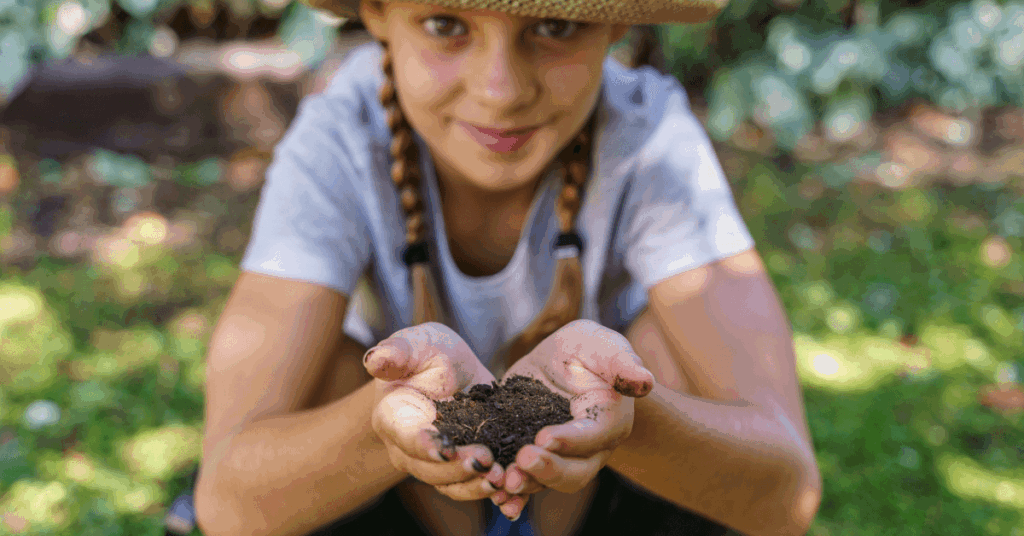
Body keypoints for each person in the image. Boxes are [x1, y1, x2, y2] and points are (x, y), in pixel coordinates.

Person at [193, 1, 824, 535]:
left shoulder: (648, 133)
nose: (501, 91)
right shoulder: (343, 134)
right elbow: (225, 502)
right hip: (400, 502)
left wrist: (627, 420)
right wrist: (383, 421)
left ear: (617, 29)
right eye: (446, 25)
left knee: (658, 359)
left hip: (598, 497)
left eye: (553, 26)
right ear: (379, 14)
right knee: (331, 367)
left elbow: (786, 492)